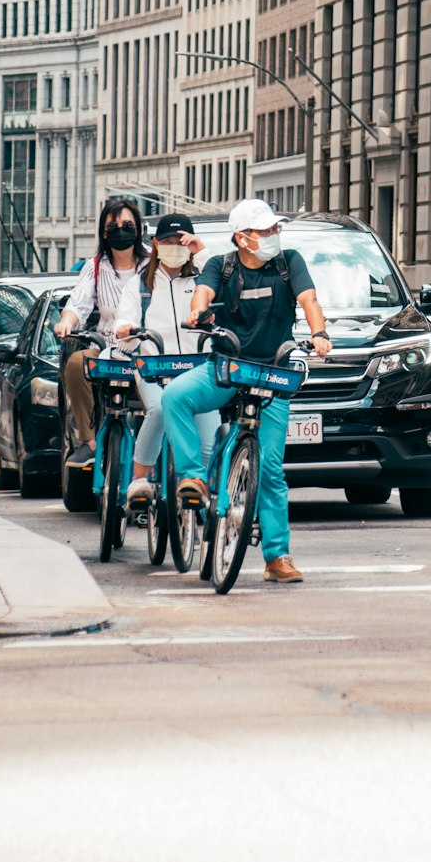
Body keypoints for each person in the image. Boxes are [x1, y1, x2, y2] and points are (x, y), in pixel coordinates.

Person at [161, 199, 332, 584]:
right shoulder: (221, 265)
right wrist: (196, 311)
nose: (274, 235)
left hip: (273, 374)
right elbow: (202, 294)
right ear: (242, 238)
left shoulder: (290, 262)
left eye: (275, 229)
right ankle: (192, 477)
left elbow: (310, 301)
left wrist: (319, 334)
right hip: (227, 369)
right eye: (265, 230)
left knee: (270, 468)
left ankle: (277, 557)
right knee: (175, 397)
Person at [114, 212, 218, 509]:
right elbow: (124, 321)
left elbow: (224, 281)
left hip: (197, 370)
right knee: (159, 409)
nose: (175, 247)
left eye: (181, 241)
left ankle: (200, 498)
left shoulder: (204, 280)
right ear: (156, 244)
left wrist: (202, 251)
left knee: (208, 442)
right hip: (153, 370)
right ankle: (139, 481)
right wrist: (125, 328)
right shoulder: (140, 286)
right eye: (168, 241)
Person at [55, 198, 149, 467]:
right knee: (76, 364)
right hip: (107, 347)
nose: (121, 231)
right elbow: (78, 302)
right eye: (113, 226)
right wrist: (67, 323)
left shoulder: (154, 263)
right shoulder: (95, 265)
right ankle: (88, 441)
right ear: (103, 232)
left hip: (148, 350)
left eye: (127, 225)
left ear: (138, 228)